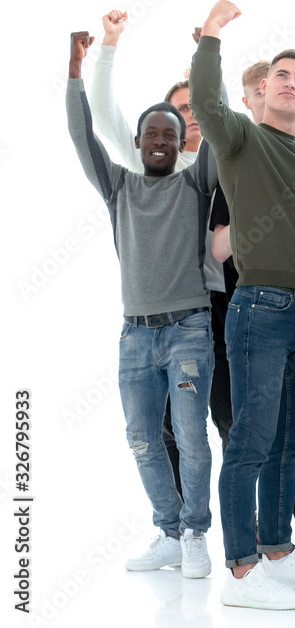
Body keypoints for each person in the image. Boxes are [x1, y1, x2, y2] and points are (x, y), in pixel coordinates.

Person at [190, 0, 295, 611]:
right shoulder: (240, 138)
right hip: (259, 308)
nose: (291, 85)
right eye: (281, 77)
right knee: (252, 440)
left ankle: (277, 553)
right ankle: (240, 573)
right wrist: (211, 35)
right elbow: (208, 102)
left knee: (293, 442)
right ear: (263, 90)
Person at [66, 31, 216, 580]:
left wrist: (208, 59)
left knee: (191, 434)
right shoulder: (119, 187)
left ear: (181, 144)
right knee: (141, 438)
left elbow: (219, 132)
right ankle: (170, 532)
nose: (159, 140)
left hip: (189, 330)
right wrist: (75, 71)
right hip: (134, 335)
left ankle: (197, 532)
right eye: (151, 133)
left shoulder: (195, 183)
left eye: (169, 134)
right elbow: (82, 134)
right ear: (137, 140)